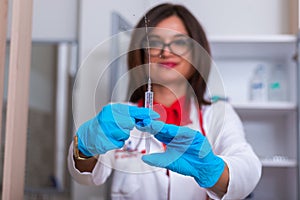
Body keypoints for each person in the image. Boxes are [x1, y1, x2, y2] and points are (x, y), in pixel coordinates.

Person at [68, 3, 262, 200]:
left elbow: (248, 169)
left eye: (179, 42)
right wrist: (84, 148)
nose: (166, 51)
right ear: (142, 55)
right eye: (154, 42)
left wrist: (212, 171)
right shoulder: (117, 117)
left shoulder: (219, 113)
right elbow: (85, 177)